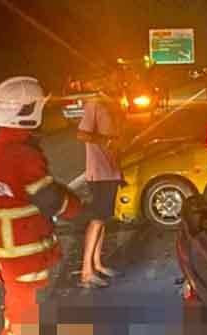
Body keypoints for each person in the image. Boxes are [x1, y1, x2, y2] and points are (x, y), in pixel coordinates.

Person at [0, 76, 84, 335]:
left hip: (4, 251)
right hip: (24, 250)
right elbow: (50, 198)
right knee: (25, 315)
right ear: (28, 111)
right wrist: (80, 209)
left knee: (16, 309)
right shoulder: (22, 154)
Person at [76, 73, 125, 289]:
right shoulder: (94, 104)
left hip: (111, 170)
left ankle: (97, 264)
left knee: (103, 218)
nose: (118, 82)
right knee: (96, 219)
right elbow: (82, 134)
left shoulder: (111, 103)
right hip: (99, 171)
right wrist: (105, 140)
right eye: (115, 79)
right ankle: (87, 271)